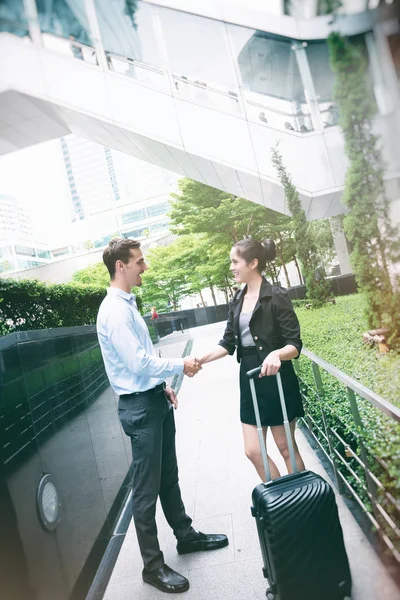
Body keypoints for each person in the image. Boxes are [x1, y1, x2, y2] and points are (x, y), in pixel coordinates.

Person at [96, 238, 228, 594]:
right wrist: (179, 365)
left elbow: (140, 359)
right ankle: (152, 567)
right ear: (120, 266)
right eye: (139, 261)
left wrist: (162, 385)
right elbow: (136, 361)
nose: (145, 267)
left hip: (151, 398)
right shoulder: (114, 311)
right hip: (139, 408)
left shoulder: (127, 304)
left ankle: (185, 536)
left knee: (167, 476)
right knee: (145, 490)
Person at [196, 238, 306, 481]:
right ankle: (281, 503)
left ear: (253, 263)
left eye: (235, 262)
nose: (232, 267)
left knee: (286, 447)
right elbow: (227, 343)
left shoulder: (276, 296)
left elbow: (294, 345)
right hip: (249, 377)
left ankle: (301, 508)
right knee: (253, 450)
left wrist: (277, 353)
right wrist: (199, 360)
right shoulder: (237, 299)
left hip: (276, 378)